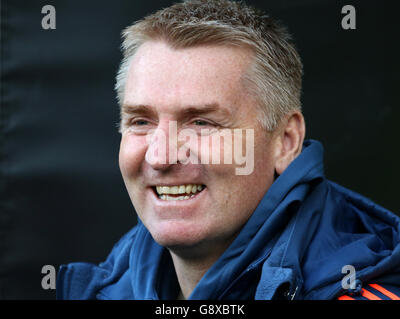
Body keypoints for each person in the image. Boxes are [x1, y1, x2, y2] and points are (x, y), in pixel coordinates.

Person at [56, 0, 400, 300]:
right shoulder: (106, 288)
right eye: (141, 122)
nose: (160, 157)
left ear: (286, 142)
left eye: (201, 123)